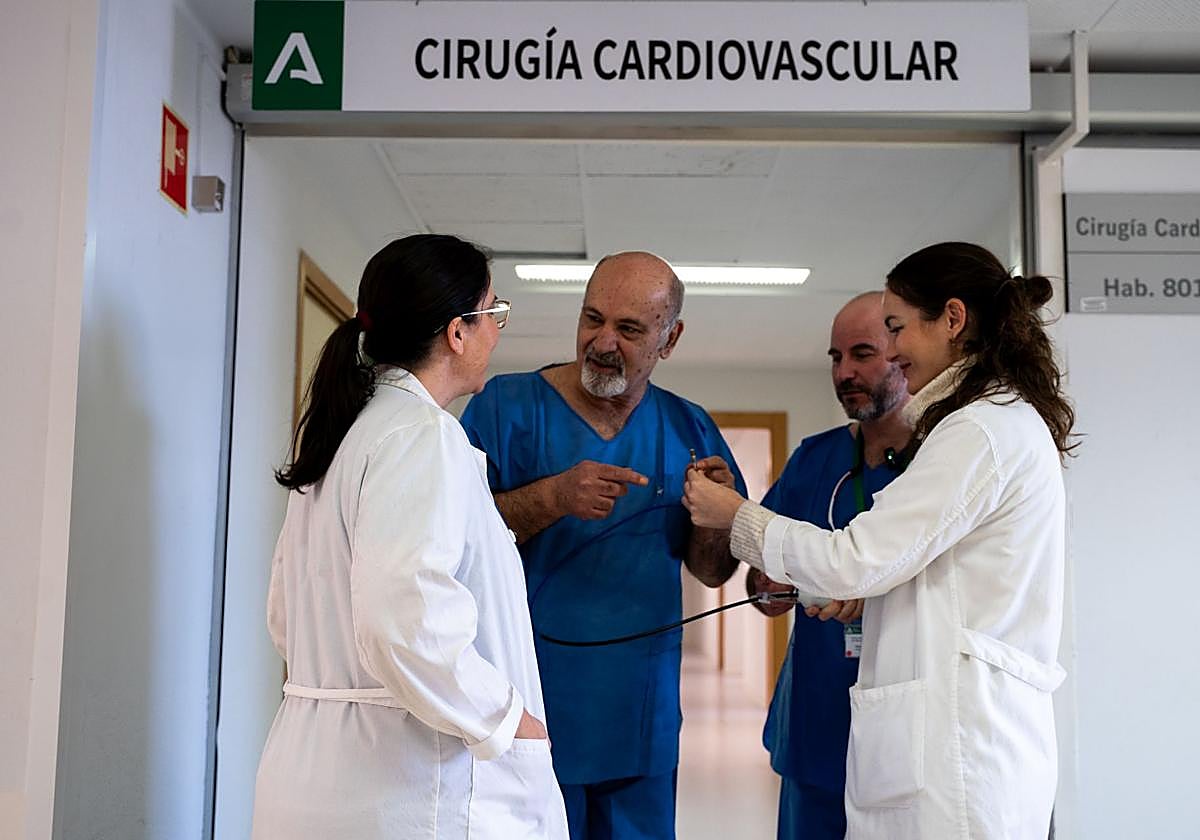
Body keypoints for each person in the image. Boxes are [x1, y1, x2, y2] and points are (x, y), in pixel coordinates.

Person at [684, 241, 1074, 839]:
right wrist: (866, 592)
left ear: (951, 319)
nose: (891, 351)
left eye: (894, 329)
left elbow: (854, 559)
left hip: (960, 755)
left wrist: (733, 514)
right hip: (929, 739)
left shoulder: (978, 430)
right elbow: (928, 573)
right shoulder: (979, 424)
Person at [251, 234, 569, 839]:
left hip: (317, 771)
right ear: (458, 331)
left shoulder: (344, 434)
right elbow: (406, 620)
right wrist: (509, 721)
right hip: (407, 789)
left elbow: (286, 618)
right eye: (494, 314)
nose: (497, 332)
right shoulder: (422, 435)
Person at [459, 251, 744, 840]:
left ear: (670, 339)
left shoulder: (690, 430)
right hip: (526, 706)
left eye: (630, 329)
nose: (603, 342)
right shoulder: (506, 410)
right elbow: (455, 545)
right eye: (593, 319)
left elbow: (713, 572)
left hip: (639, 716)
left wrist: (715, 520)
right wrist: (551, 498)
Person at [747, 292, 912, 840]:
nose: (845, 372)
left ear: (903, 355)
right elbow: (762, 576)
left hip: (904, 732)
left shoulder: (936, 463)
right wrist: (767, 585)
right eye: (836, 358)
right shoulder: (815, 459)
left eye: (862, 354)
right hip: (816, 720)